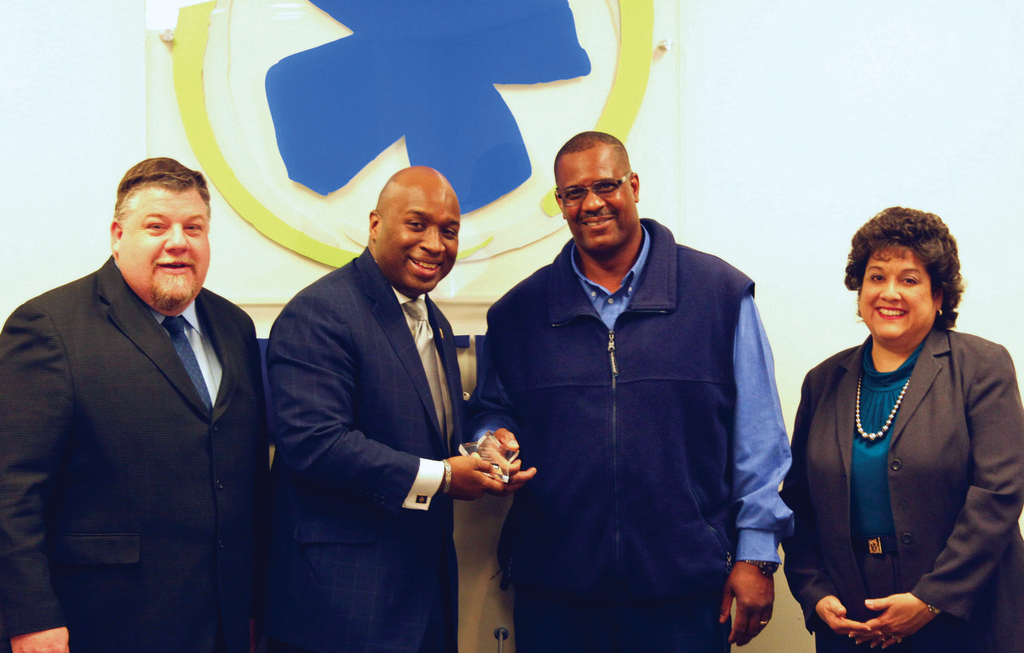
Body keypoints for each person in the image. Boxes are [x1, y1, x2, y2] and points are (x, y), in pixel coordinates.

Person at [468, 132, 794, 650]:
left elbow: (760, 439)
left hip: (685, 592)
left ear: (633, 186)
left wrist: (757, 555)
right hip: (556, 594)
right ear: (559, 204)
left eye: (605, 185)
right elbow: (491, 410)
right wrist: (490, 438)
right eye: (574, 193)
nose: (591, 203)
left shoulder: (721, 294)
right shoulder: (517, 313)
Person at [0, 158, 269, 653]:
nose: (178, 241)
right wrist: (30, 617)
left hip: (222, 623)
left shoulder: (234, 327)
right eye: (156, 226)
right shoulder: (47, 328)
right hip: (102, 623)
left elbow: (246, 480)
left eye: (194, 227)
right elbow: (13, 491)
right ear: (117, 235)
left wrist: (251, 606)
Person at [262, 166, 531, 653]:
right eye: (417, 224)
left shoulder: (436, 321)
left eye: (448, 231)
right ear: (374, 225)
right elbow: (316, 445)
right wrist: (446, 478)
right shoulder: (321, 312)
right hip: (338, 608)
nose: (434, 244)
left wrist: (488, 450)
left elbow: (432, 433)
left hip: (423, 598)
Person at [781, 207, 1024, 652]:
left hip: (962, 619)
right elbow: (798, 504)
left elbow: (999, 495)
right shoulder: (823, 380)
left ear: (939, 296)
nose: (888, 292)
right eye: (876, 277)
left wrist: (930, 599)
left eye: (909, 279)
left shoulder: (982, 367)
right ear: (859, 288)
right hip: (853, 623)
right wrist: (814, 592)